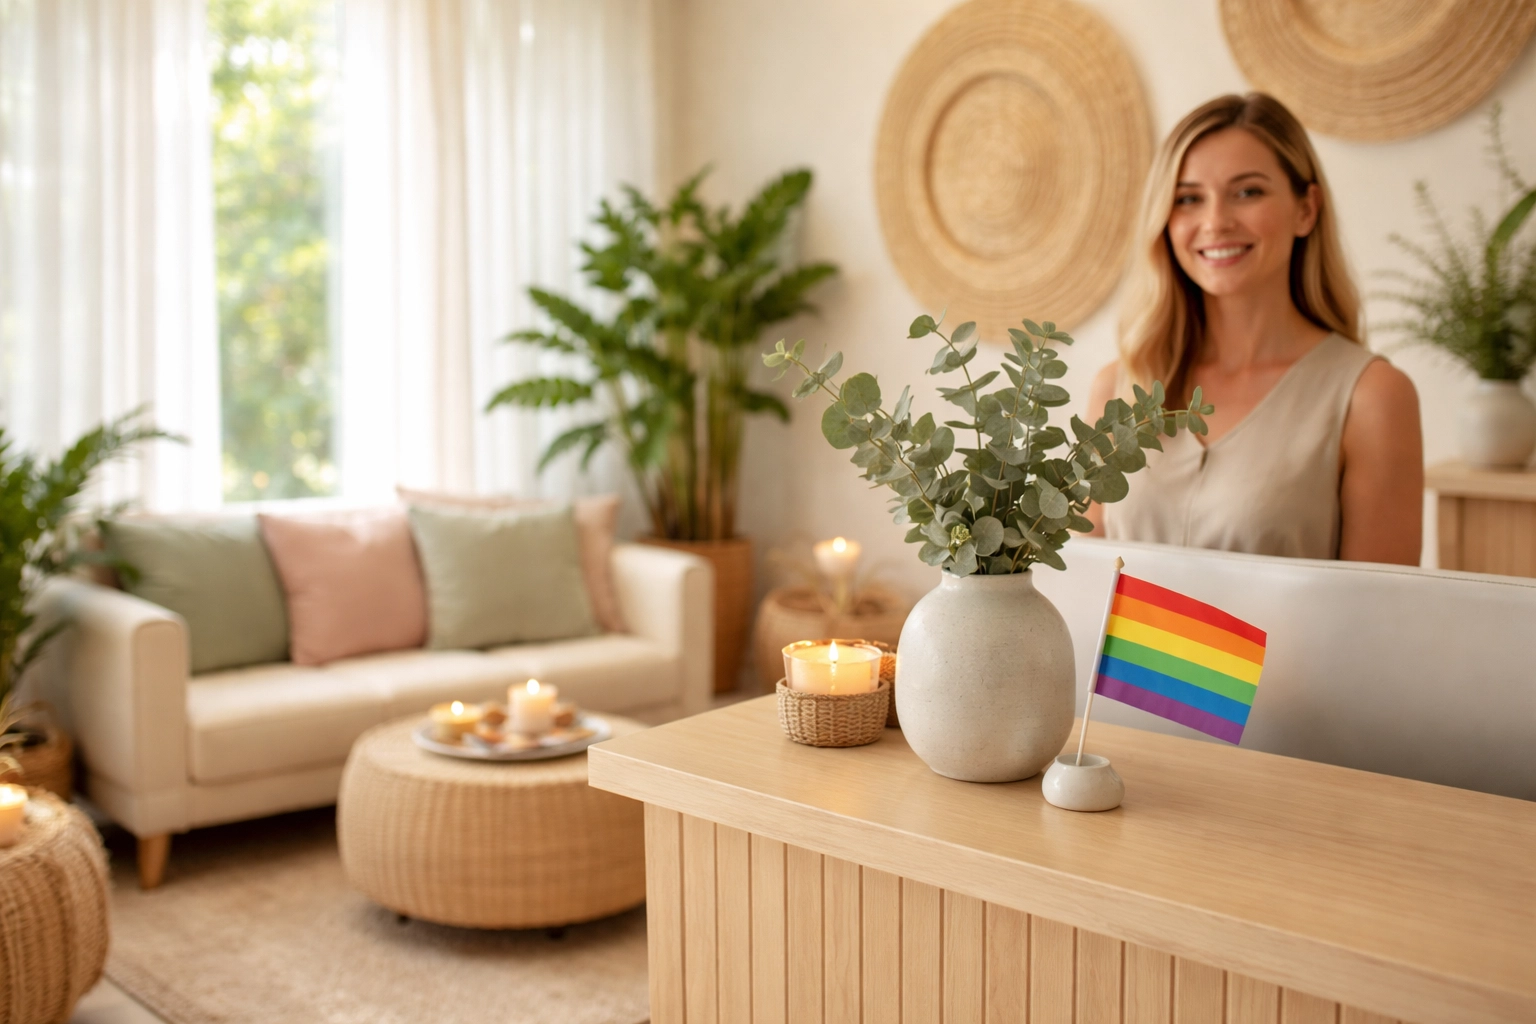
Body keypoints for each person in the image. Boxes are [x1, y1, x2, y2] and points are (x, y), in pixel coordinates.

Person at [1086, 93, 1422, 564]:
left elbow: (1381, 621)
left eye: (1248, 192)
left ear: (1306, 209)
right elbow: (1083, 580)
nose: (1216, 221)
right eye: (1188, 199)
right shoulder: (1117, 390)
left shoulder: (1372, 397)